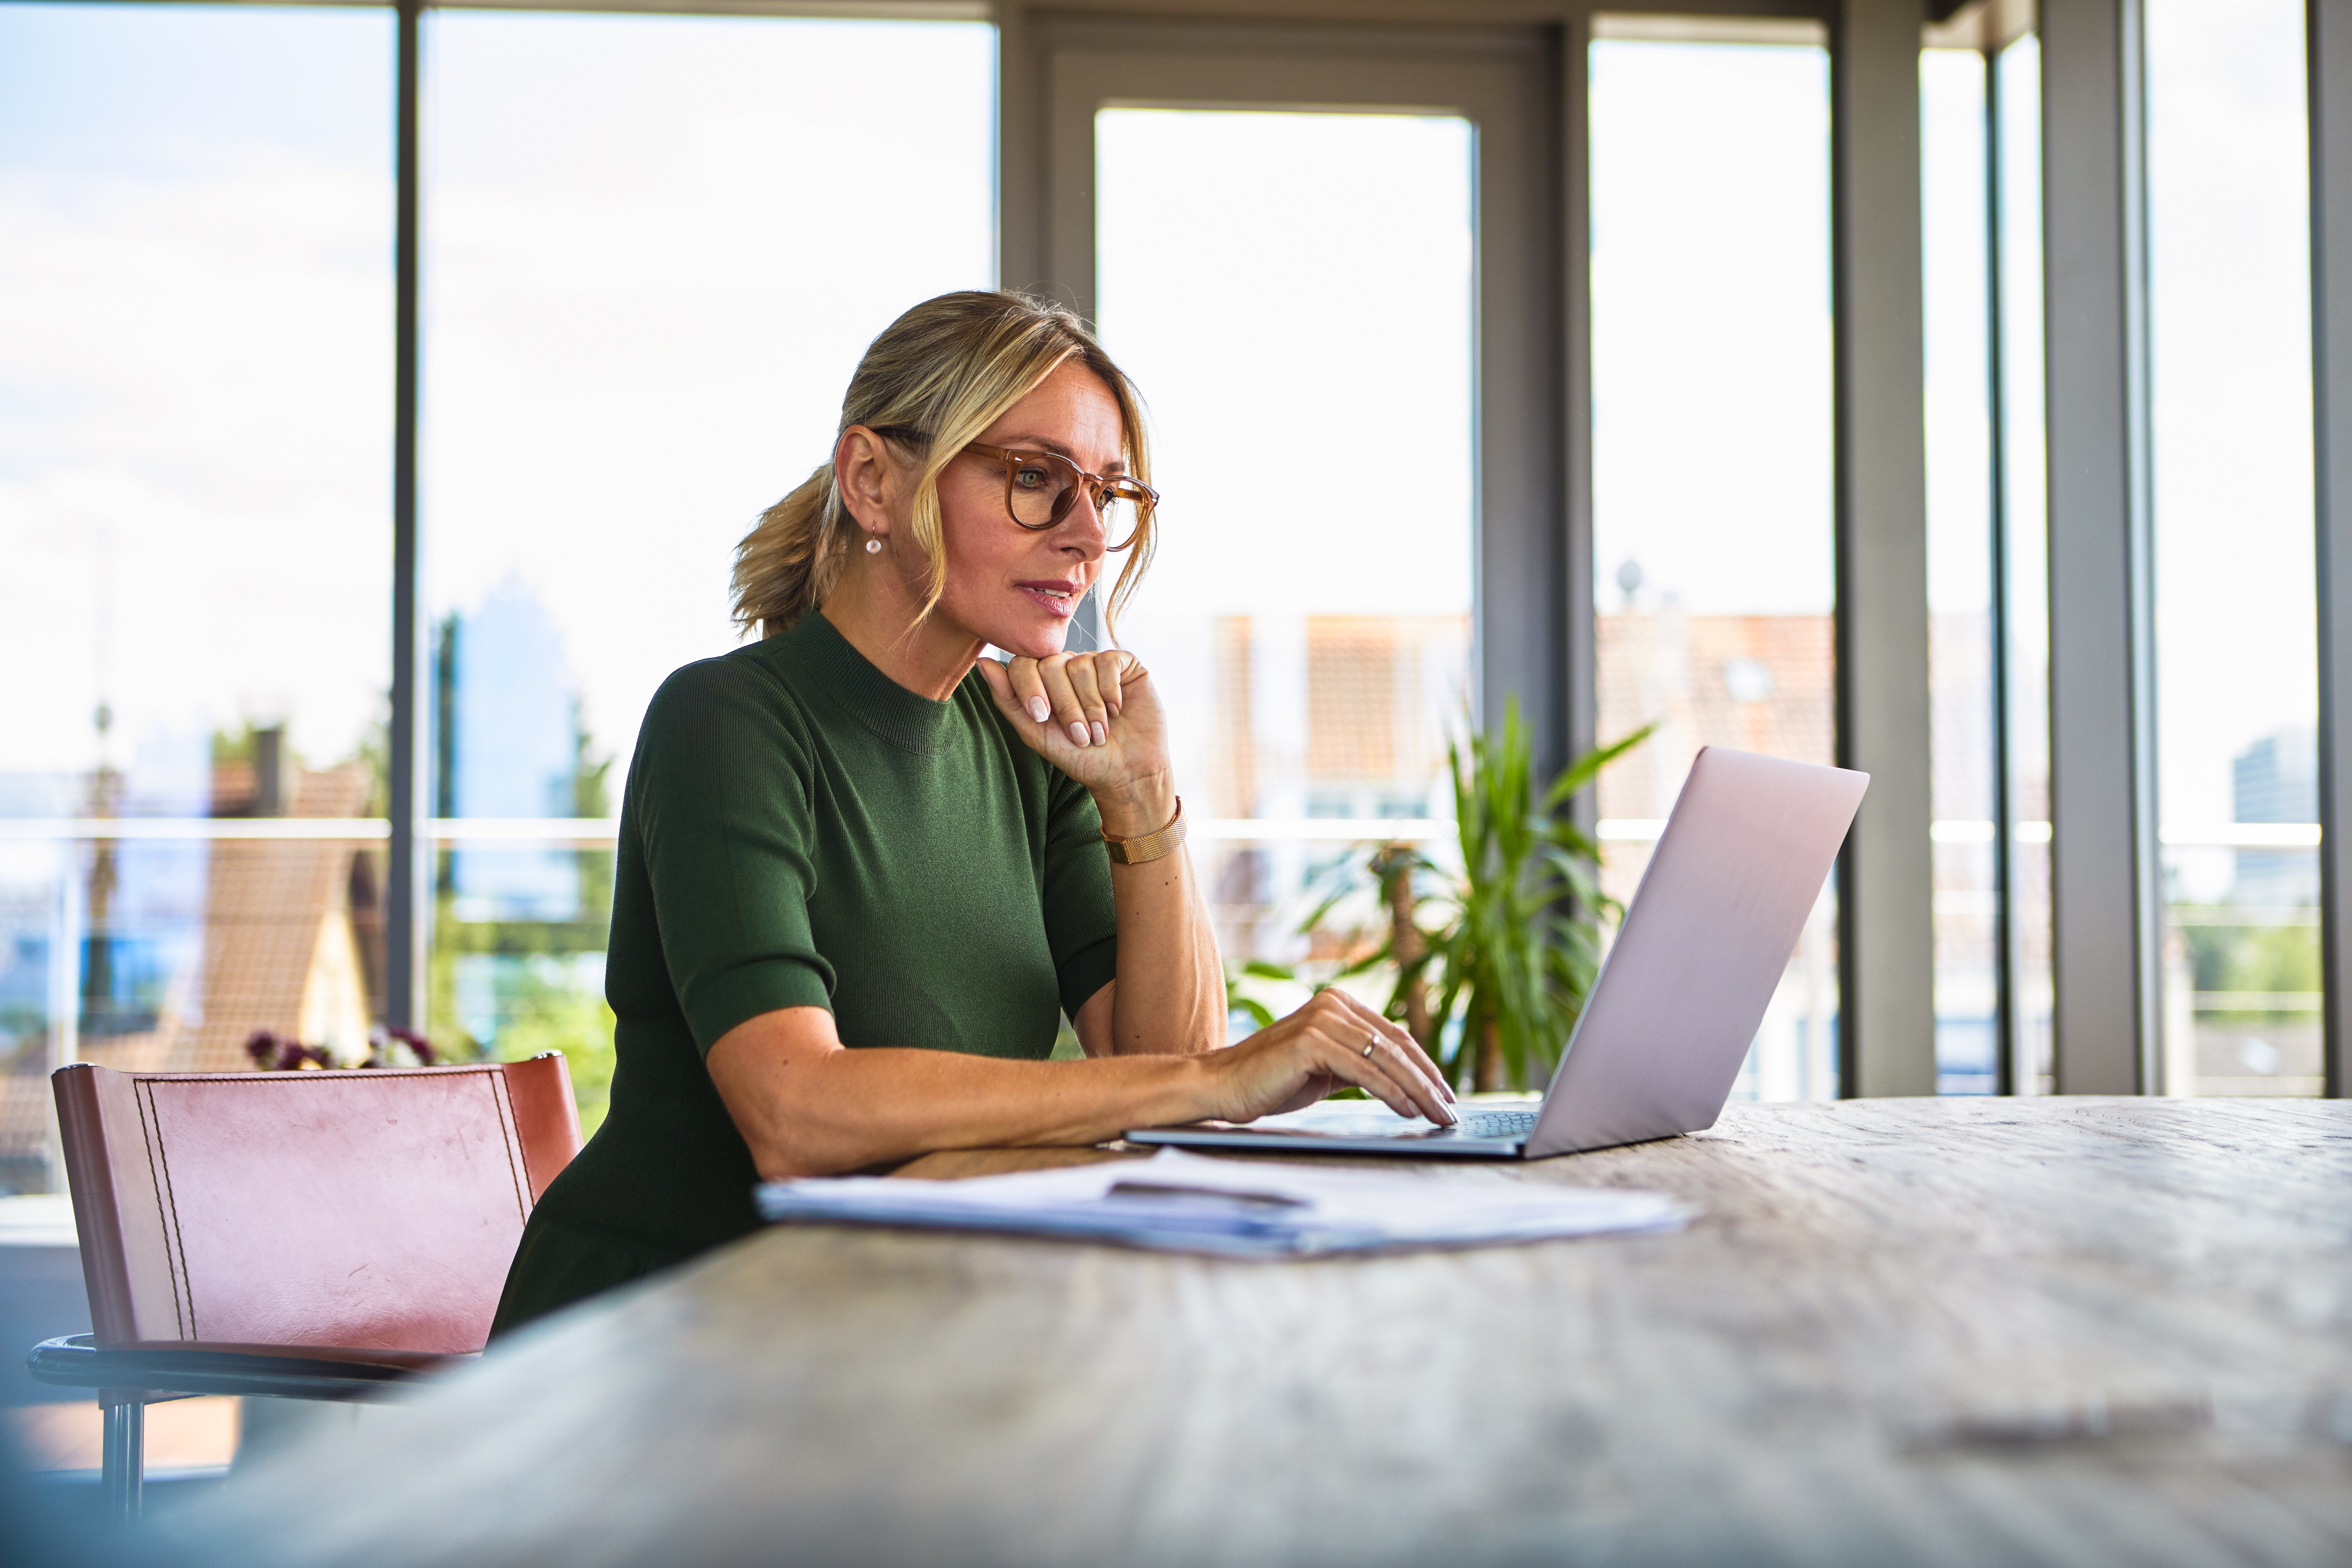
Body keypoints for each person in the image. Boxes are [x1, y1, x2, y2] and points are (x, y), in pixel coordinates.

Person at [491, 291, 1456, 1333]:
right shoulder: (728, 723)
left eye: (1108, 494)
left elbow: (1161, 1070)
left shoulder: (1030, 743)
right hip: (666, 1332)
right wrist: (1216, 1079)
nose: (1088, 536)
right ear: (873, 481)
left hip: (906, 1318)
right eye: (1036, 479)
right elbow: (796, 1113)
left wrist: (1141, 796)